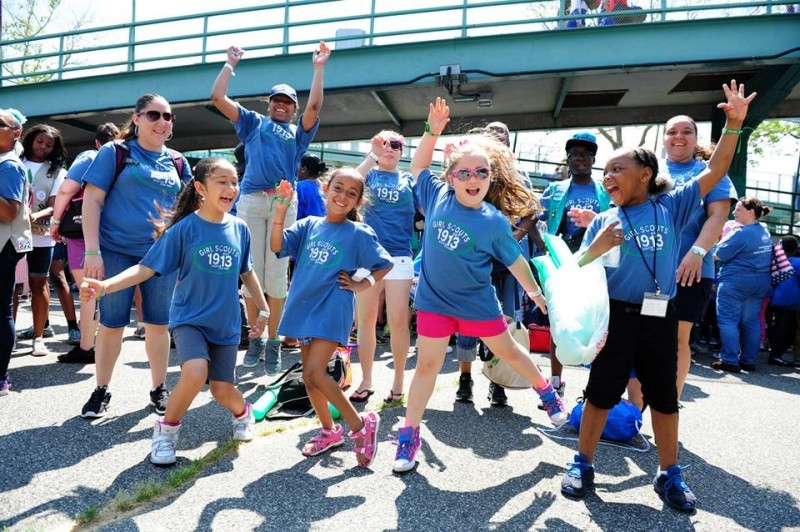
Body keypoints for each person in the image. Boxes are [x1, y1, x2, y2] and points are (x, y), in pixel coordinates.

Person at [559, 80, 754, 513]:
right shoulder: (602, 221)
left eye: (616, 169)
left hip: (659, 314)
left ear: (645, 174)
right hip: (616, 317)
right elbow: (575, 273)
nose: (607, 176)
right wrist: (597, 248)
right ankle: (582, 464)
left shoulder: (672, 206)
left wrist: (734, 124)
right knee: (599, 394)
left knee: (663, 397)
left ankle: (669, 474)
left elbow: (716, 169)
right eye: (605, 171)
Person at [393, 98, 566, 474]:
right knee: (426, 366)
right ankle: (409, 434)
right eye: (465, 173)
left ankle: (545, 390)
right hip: (435, 303)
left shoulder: (493, 222)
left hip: (477, 305)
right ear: (451, 177)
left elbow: (515, 261)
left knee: (511, 353)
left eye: (481, 172)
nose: (474, 179)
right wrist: (431, 131)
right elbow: (419, 164)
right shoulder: (436, 195)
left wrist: (536, 293)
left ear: (491, 177)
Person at [81, 157, 266, 465]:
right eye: (222, 181)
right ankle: (166, 432)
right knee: (195, 372)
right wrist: (105, 286)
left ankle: (242, 413)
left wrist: (263, 310)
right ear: (200, 188)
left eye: (234, 182)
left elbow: (247, 272)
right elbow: (145, 268)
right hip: (189, 319)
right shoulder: (183, 230)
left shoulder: (240, 228)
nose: (230, 188)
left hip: (226, 324)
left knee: (222, 390)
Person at [210, 42, 331, 376]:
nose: (282, 106)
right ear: (269, 104)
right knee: (251, 273)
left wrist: (318, 68)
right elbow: (218, 99)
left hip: (283, 203)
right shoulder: (252, 124)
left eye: (288, 102)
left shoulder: (298, 134)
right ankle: (255, 338)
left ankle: (275, 340)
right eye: (277, 100)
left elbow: (316, 105)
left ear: (293, 109)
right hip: (250, 199)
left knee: (277, 276)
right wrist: (229, 63)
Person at [270, 169, 393, 468]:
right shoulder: (308, 225)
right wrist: (281, 209)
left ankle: (360, 426)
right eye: (338, 188)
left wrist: (362, 285)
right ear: (326, 188)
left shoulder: (358, 234)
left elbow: (384, 264)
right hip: (303, 306)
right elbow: (276, 247)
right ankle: (329, 431)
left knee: (314, 372)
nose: (343, 196)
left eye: (352, 193)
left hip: (332, 306)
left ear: (358, 201)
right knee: (311, 379)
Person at [80, 93, 193, 419]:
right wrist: (92, 251)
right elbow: (92, 202)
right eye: (154, 115)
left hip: (162, 256)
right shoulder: (116, 153)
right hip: (115, 252)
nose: (162, 122)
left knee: (159, 324)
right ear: (137, 118)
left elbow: (189, 209)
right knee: (112, 323)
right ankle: (101, 390)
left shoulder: (177, 161)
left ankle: (159, 389)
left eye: (168, 116)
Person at [454, 121, 546, 407]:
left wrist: (513, 238)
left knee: (505, 320)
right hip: (475, 259)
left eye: (502, 135)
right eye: (491, 135)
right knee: (468, 320)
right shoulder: (472, 169)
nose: (497, 139)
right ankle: (465, 379)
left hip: (508, 262)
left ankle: (499, 381)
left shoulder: (520, 174)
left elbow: (531, 211)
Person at [662, 115, 737, 398]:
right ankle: (637, 403)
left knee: (677, 338)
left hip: (691, 271)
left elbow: (718, 215)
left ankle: (670, 402)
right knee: (644, 336)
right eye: (672, 131)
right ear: (664, 138)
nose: (679, 136)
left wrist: (696, 252)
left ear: (696, 138)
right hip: (650, 271)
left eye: (686, 131)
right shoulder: (649, 169)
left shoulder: (709, 172)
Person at [538, 131, 611, 403]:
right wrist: (544, 247)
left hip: (595, 261)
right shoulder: (555, 190)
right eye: (574, 154)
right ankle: (555, 384)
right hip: (563, 261)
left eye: (586, 154)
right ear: (567, 159)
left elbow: (616, 221)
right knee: (560, 320)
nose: (580, 159)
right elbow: (534, 218)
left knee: (597, 321)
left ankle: (593, 389)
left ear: (594, 159)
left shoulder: (604, 190)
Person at [350, 131, 416, 405]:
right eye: (384, 144)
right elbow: (347, 183)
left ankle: (399, 383)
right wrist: (372, 155)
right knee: (365, 321)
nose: (390, 149)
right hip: (367, 255)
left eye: (396, 145)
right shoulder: (367, 175)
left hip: (399, 256)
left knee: (399, 322)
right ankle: (366, 380)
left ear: (403, 151)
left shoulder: (409, 180)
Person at [51, 122, 120, 364]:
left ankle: (86, 347)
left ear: (97, 142)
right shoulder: (127, 155)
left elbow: (65, 190)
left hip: (83, 233)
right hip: (114, 230)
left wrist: (55, 221)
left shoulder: (91, 156)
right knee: (102, 291)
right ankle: (98, 341)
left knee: (88, 291)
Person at [711, 197, 773, 373]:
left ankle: (730, 360)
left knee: (728, 321)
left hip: (736, 282)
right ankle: (748, 360)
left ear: (751, 212)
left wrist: (726, 235)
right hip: (759, 282)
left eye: (738, 209)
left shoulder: (741, 233)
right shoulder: (763, 230)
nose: (733, 212)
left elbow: (717, 254)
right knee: (751, 321)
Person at [0, 108, 31, 396]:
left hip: (4, 248)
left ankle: (1, 377)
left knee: (2, 312)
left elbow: (10, 211)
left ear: (15, 133)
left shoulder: (9, 166)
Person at [767, 235, 800, 367]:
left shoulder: (776, 261)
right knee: (787, 329)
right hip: (791, 300)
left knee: (776, 325)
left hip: (774, 298)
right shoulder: (797, 262)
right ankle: (776, 355)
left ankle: (773, 351)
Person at [296, 153, 327, 220]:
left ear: (304, 169)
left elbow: (296, 213)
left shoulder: (299, 186)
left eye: (298, 166)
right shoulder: (322, 187)